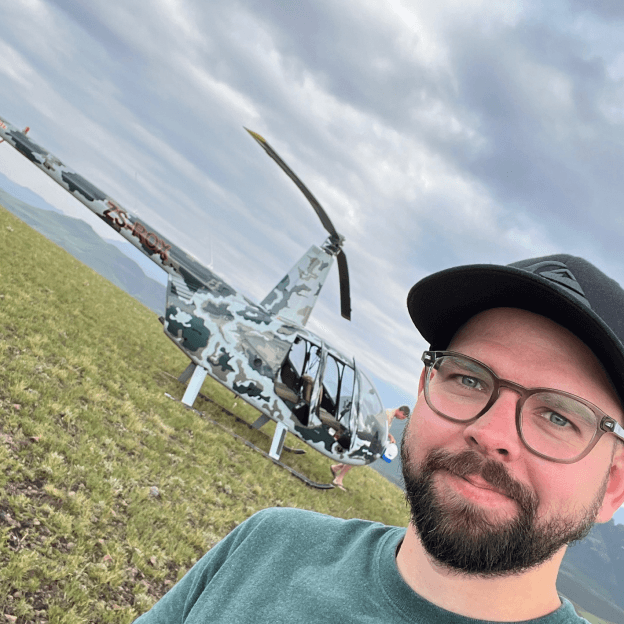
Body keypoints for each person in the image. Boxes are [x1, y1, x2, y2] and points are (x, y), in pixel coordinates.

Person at [134, 254, 624, 624]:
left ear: (614, 485)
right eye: (469, 379)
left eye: (558, 417)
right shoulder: (265, 544)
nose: (490, 433)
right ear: (423, 389)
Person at [330, 405, 410, 490]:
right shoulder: (388, 414)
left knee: (358, 458)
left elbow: (382, 429)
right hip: (367, 437)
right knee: (357, 458)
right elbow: (379, 428)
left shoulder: (390, 415)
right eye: (403, 417)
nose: (402, 419)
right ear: (401, 412)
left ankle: (335, 468)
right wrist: (388, 437)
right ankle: (339, 479)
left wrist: (390, 436)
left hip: (369, 437)